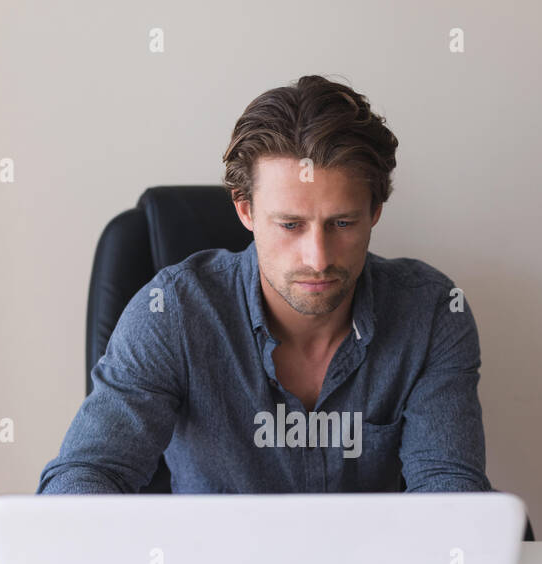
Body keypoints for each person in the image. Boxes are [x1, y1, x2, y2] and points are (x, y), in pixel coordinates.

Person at [37, 74, 492, 495]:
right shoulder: (170, 313)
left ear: (375, 211)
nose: (318, 258)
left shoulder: (432, 312)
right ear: (246, 211)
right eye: (290, 225)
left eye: (343, 222)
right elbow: (92, 471)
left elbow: (447, 488)